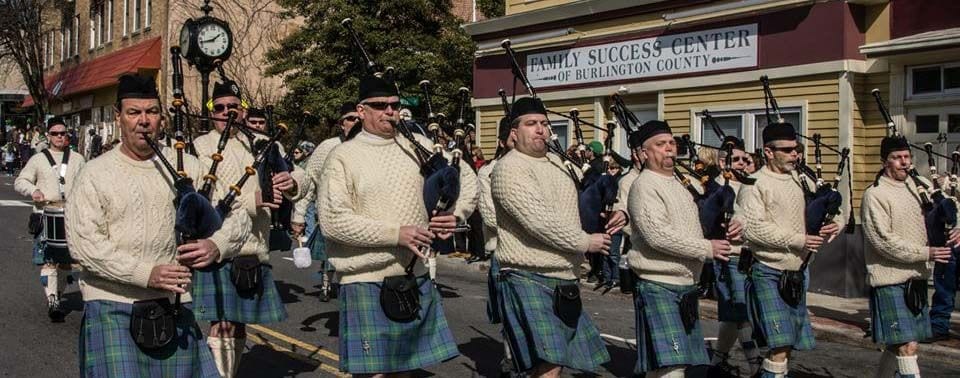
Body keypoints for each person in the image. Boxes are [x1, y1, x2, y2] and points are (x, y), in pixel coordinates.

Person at [67, 74, 248, 376]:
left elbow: (237, 213)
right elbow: (85, 246)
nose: (144, 121)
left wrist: (217, 245)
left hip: (173, 305)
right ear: (118, 118)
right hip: (111, 304)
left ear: (162, 118)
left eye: (151, 112)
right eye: (134, 112)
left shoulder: (187, 167)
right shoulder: (94, 174)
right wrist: (145, 273)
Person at [316, 74, 478, 375]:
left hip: (412, 275)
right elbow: (332, 222)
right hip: (364, 278)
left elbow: (465, 176)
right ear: (361, 111)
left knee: (405, 372)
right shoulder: (342, 156)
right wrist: (395, 234)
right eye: (380, 105)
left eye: (394, 105)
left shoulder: (417, 146)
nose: (390, 111)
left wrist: (455, 215)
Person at [491, 97, 615, 377]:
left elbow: (582, 205)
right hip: (527, 274)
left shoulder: (560, 165)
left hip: (564, 276)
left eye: (544, 123)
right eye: (531, 124)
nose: (539, 129)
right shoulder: (509, 168)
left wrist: (618, 211)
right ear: (514, 132)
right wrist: (585, 242)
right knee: (548, 365)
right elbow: (538, 222)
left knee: (552, 365)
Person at [192, 80, 304, 378]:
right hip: (213, 243)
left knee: (237, 321)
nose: (227, 113)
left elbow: (298, 177)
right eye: (220, 108)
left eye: (233, 107)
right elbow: (203, 201)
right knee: (221, 322)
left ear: (242, 111)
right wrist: (254, 201)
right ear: (212, 112)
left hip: (252, 246)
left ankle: (228, 372)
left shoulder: (265, 144)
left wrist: (293, 184)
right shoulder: (198, 148)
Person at [625, 120, 741, 377]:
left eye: (671, 143)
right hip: (658, 283)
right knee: (673, 366)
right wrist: (705, 248)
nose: (668, 148)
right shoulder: (644, 186)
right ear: (644, 153)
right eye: (660, 144)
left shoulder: (680, 183)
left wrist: (736, 220)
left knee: (665, 367)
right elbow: (657, 237)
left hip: (685, 284)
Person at [736, 122, 844, 378]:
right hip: (767, 269)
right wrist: (799, 240)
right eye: (787, 150)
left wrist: (834, 223)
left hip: (798, 271)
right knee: (779, 346)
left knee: (787, 347)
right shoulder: (754, 184)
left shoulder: (802, 179)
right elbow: (752, 229)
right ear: (769, 152)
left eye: (796, 149)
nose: (795, 155)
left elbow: (831, 208)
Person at [862, 135, 955, 378]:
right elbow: (883, 242)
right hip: (890, 279)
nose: (904, 162)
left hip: (916, 278)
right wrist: (927, 253)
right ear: (885, 162)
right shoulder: (875, 194)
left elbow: (947, 209)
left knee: (897, 346)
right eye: (896, 158)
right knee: (907, 346)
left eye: (907, 157)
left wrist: (956, 227)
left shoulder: (921, 185)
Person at [14, 116, 86, 322]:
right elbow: (21, 181)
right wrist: (34, 190)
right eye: (55, 133)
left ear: (67, 135)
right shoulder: (38, 159)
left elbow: (87, 184)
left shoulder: (78, 159)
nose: (59, 137)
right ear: (48, 135)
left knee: (66, 263)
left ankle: (59, 294)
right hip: (45, 215)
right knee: (48, 260)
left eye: (63, 133)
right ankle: (53, 299)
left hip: (71, 215)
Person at [292, 101, 362, 302]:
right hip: (330, 214)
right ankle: (325, 285)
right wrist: (298, 216)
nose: (355, 122)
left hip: (360, 216)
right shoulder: (327, 147)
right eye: (350, 119)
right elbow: (309, 183)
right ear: (342, 123)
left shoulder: (370, 147)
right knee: (331, 256)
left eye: (358, 118)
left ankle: (351, 290)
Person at [708, 137, 763, 376]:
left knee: (733, 313)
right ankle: (755, 364)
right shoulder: (715, 188)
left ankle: (717, 360)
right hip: (730, 256)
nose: (742, 163)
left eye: (746, 159)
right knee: (741, 312)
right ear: (723, 163)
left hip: (753, 255)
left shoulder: (752, 185)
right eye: (736, 159)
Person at [477, 117, 516, 374]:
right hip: (502, 251)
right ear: (502, 141)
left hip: (536, 255)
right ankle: (510, 358)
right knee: (510, 316)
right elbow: (490, 216)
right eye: (512, 138)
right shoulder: (487, 172)